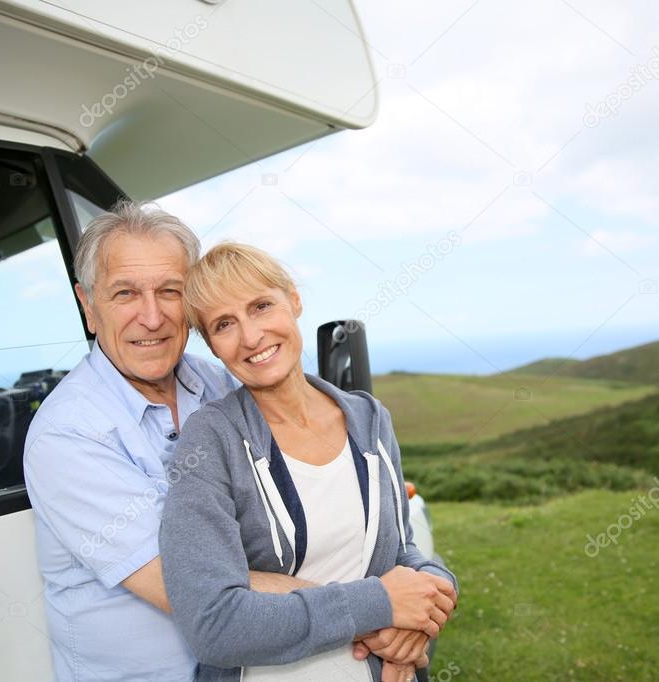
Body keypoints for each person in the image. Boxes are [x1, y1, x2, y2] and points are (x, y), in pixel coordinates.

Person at [24, 203, 311, 681]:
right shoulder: (68, 433)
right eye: (125, 293)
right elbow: (197, 590)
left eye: (170, 291)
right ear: (88, 306)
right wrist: (369, 609)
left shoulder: (218, 384)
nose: (152, 317)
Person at [160, 242, 459, 682]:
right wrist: (381, 606)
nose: (251, 337)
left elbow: (402, 552)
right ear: (213, 346)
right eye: (225, 324)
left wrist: (432, 598)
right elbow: (214, 624)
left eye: (261, 306)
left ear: (294, 300)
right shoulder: (211, 441)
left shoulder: (369, 418)